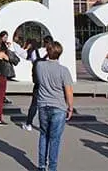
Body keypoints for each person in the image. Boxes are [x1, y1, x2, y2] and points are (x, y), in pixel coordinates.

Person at [35, 41, 74, 171]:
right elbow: (68, 91)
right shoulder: (64, 70)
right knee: (55, 139)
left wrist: (48, 53)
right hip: (58, 105)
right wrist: (70, 107)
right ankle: (52, 167)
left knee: (43, 135)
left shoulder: (40, 66)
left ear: (47, 51)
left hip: (43, 103)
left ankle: (41, 165)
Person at [23, 36, 50, 130]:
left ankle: (29, 123)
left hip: (38, 81)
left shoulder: (36, 52)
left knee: (34, 103)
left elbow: (33, 62)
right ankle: (44, 123)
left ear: (43, 42)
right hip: (48, 82)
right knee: (47, 104)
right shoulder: (51, 53)